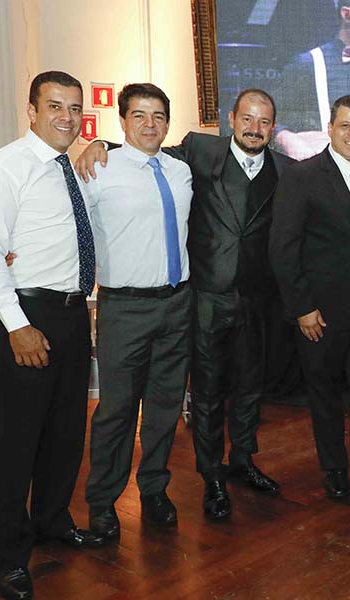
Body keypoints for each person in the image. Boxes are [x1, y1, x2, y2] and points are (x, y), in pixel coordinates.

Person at [76, 89, 292, 521]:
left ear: (273, 127)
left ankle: (232, 464)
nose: (254, 128)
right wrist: (99, 143)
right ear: (231, 119)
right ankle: (200, 480)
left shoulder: (283, 168)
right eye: (247, 119)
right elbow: (143, 147)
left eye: (264, 121)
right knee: (175, 400)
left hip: (245, 301)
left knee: (220, 394)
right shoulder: (197, 152)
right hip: (195, 299)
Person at [0, 70, 104, 600]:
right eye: (55, 106)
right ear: (31, 110)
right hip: (25, 315)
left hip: (71, 314)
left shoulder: (74, 167)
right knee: (16, 442)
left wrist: (103, 145)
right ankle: (9, 556)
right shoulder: (3, 169)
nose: (67, 117)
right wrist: (17, 325)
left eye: (74, 108)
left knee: (65, 432)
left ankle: (52, 521)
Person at [270, 94, 350, 498]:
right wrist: (302, 308)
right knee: (325, 392)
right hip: (321, 312)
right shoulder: (302, 175)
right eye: (345, 126)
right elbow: (283, 247)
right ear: (330, 128)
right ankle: (334, 468)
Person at [82, 83, 193, 540]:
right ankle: (102, 501)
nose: (150, 124)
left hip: (177, 304)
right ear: (123, 121)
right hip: (124, 307)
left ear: (168, 122)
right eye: (139, 116)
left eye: (158, 116)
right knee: (117, 410)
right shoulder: (98, 169)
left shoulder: (181, 170)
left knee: (165, 407)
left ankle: (154, 489)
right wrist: (96, 145)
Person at [274, 0, 350, 160]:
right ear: (347, 14)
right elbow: (269, 121)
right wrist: (288, 140)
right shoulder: (308, 64)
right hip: (322, 172)